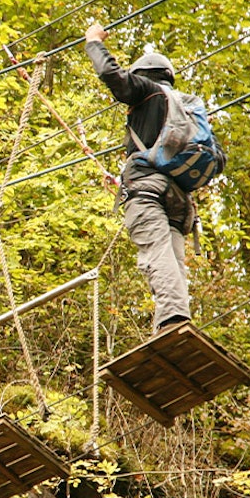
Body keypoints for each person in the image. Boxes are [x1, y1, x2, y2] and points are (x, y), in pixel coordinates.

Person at [84, 22, 199, 333]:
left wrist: (94, 42)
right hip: (180, 199)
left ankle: (173, 322)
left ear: (142, 76)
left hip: (148, 192)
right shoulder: (186, 106)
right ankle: (177, 318)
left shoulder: (148, 93)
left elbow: (113, 77)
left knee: (156, 254)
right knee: (174, 262)